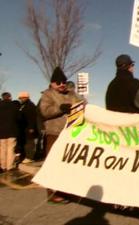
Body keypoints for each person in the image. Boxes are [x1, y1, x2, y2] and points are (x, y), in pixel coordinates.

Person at [39, 66, 82, 203]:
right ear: (52, 83)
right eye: (58, 82)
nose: (62, 84)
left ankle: (67, 191)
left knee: (68, 164)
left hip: (71, 134)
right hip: (54, 133)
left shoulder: (72, 94)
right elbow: (45, 111)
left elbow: (83, 104)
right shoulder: (47, 94)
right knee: (53, 163)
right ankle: (52, 193)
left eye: (63, 81)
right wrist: (60, 108)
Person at [0, 92, 20, 173]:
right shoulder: (14, 106)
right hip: (12, 130)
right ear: (10, 97)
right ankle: (10, 166)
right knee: (11, 148)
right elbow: (19, 118)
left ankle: (3, 166)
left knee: (2, 148)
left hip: (1, 131)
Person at [17, 91, 39, 163]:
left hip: (29, 127)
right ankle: (26, 156)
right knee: (26, 143)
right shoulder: (23, 105)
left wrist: (31, 127)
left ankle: (30, 157)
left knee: (29, 143)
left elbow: (32, 117)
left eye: (22, 98)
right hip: (24, 127)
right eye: (20, 98)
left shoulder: (30, 105)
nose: (21, 99)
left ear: (26, 98)